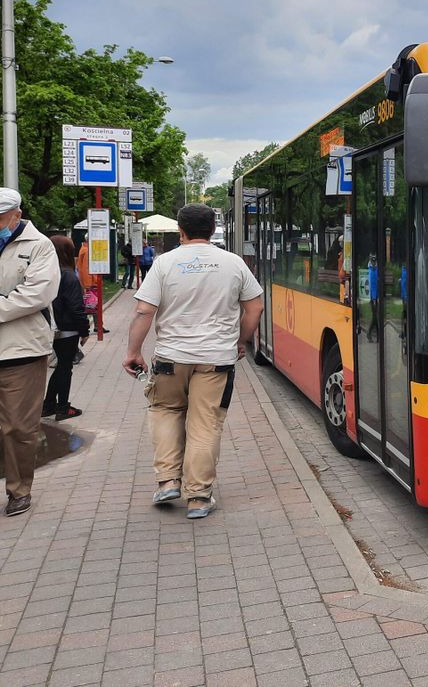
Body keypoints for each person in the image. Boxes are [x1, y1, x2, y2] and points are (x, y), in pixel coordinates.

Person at [122, 204, 263, 520]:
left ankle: (168, 481)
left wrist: (133, 352)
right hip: (217, 360)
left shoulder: (164, 263)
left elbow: (144, 311)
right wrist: (241, 341)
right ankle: (198, 497)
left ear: (180, 231)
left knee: (165, 411)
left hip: (171, 358)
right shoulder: (234, 263)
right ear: (212, 230)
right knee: (206, 423)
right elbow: (255, 308)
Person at [0, 189, 61, 517]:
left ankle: (19, 490)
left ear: (16, 216)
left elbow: (36, 294)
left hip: (21, 350)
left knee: (18, 427)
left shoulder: (39, 246)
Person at [43, 235, 88, 421]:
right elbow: (76, 307)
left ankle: (48, 405)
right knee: (65, 367)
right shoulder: (69, 276)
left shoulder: (48, 272)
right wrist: (84, 330)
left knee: (61, 366)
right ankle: (63, 407)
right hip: (68, 329)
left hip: (51, 327)